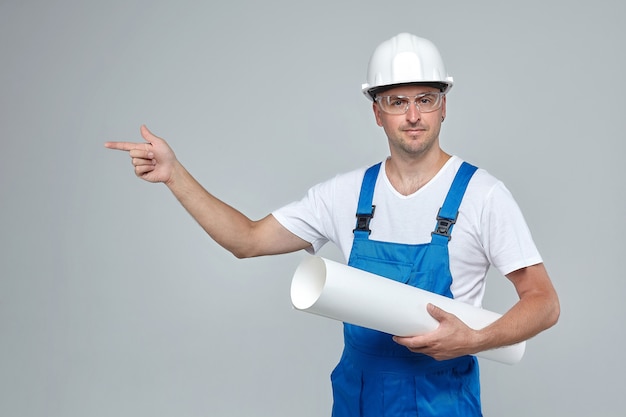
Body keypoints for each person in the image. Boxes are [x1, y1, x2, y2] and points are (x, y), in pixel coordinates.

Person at [105, 33, 559, 417]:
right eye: (397, 101)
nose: (413, 114)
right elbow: (246, 240)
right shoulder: (344, 195)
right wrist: (175, 174)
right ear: (376, 111)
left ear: (444, 107)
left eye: (426, 99)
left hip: (441, 400)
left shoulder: (483, 195)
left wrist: (474, 338)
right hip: (357, 398)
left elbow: (544, 302)